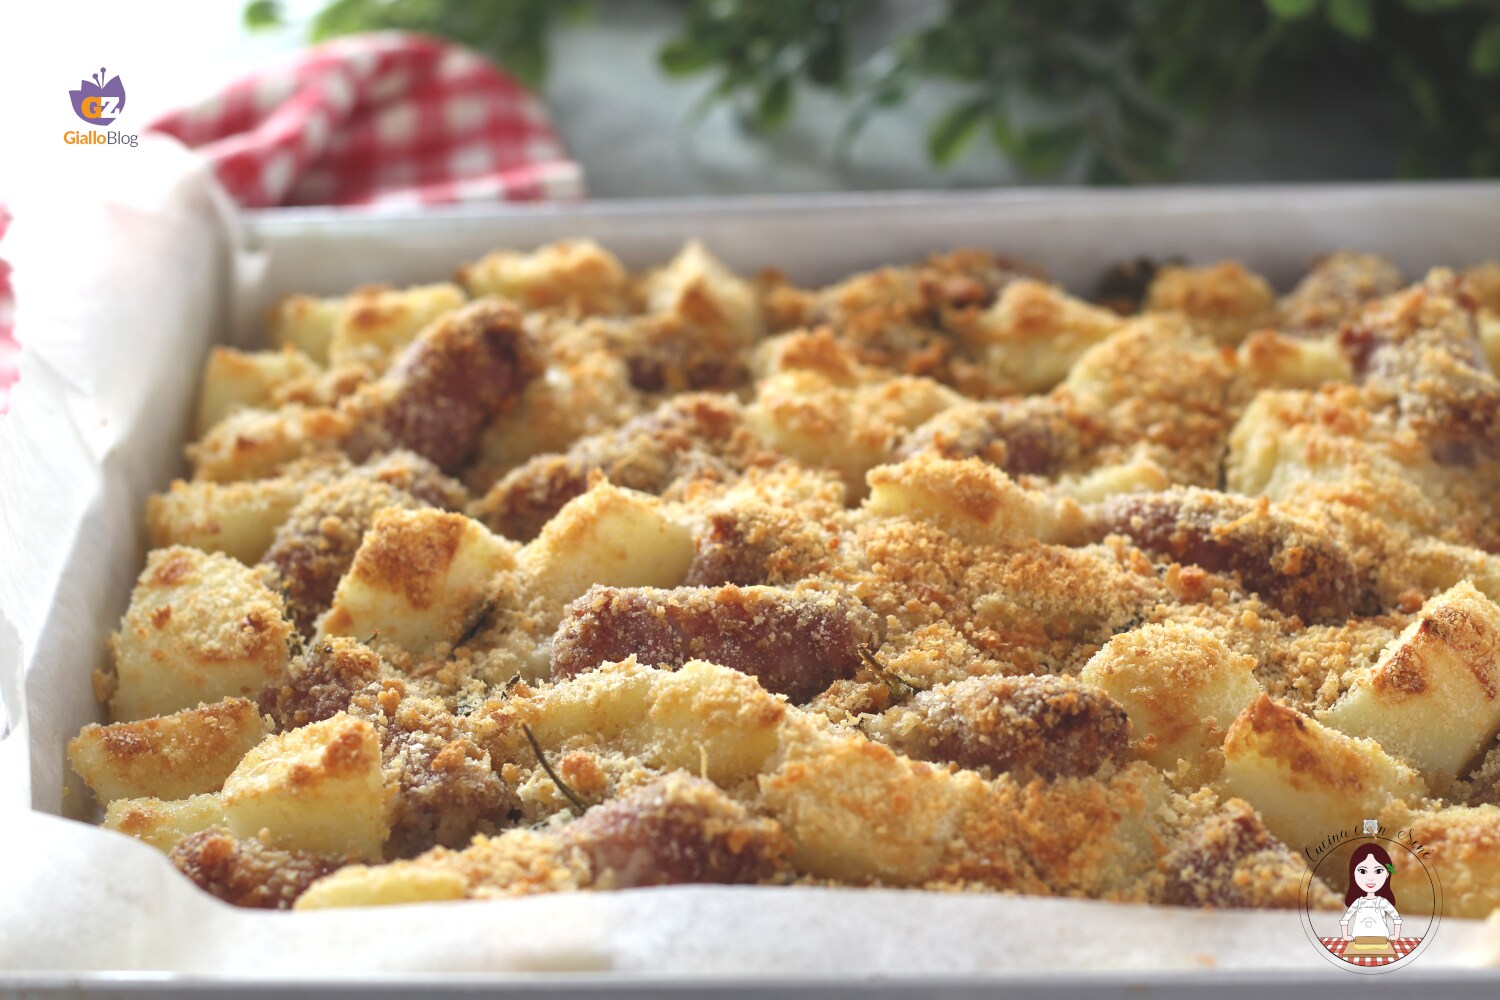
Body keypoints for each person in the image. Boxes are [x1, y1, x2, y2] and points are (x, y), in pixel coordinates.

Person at [1339, 844, 1402, 943]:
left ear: (1387, 874)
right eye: (1363, 871)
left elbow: (1396, 918)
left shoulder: (1382, 902)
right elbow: (1345, 919)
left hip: (1381, 939)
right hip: (1359, 939)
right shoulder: (1358, 902)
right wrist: (1346, 935)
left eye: (1378, 871)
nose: (1370, 878)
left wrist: (1396, 935)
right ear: (1353, 874)